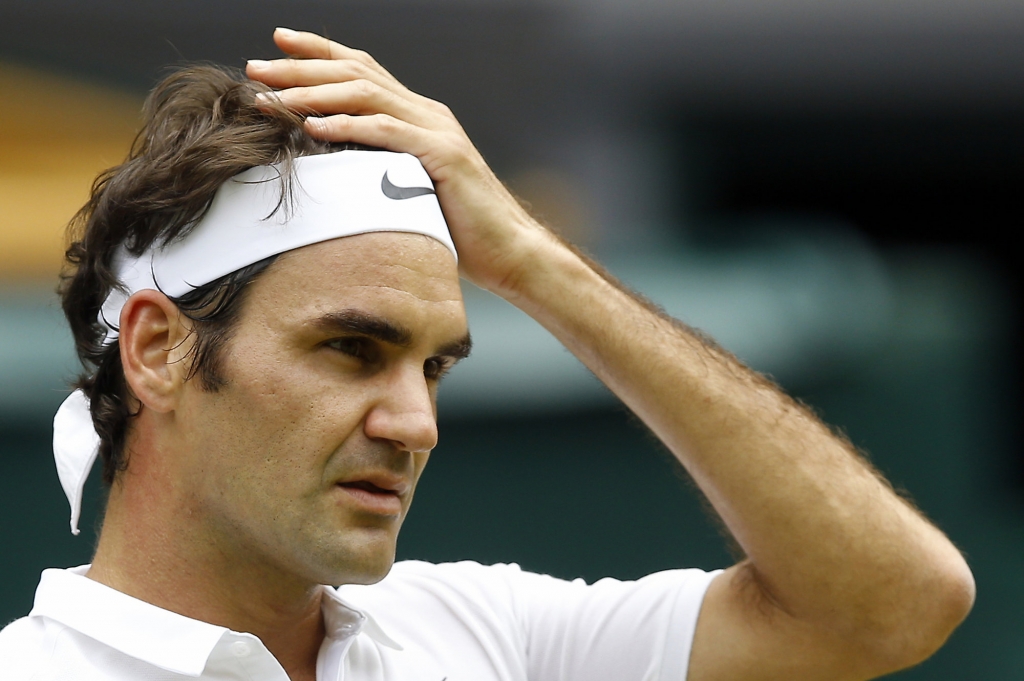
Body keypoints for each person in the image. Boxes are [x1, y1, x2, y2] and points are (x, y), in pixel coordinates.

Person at [1, 27, 974, 681]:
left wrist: (537, 265)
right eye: (349, 348)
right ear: (159, 350)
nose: (415, 423)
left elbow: (892, 606)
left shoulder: (485, 633)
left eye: (434, 367)